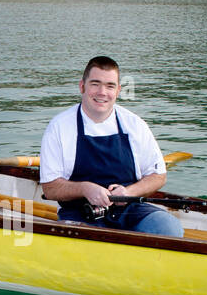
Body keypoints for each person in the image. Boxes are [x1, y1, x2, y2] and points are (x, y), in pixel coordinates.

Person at [39, 56, 184, 238]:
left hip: (130, 209)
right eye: (95, 84)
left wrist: (128, 193)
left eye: (110, 86)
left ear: (118, 91)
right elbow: (50, 188)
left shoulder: (134, 124)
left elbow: (158, 176)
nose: (102, 92)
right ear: (82, 86)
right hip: (80, 213)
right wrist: (85, 189)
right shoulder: (59, 127)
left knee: (169, 228)